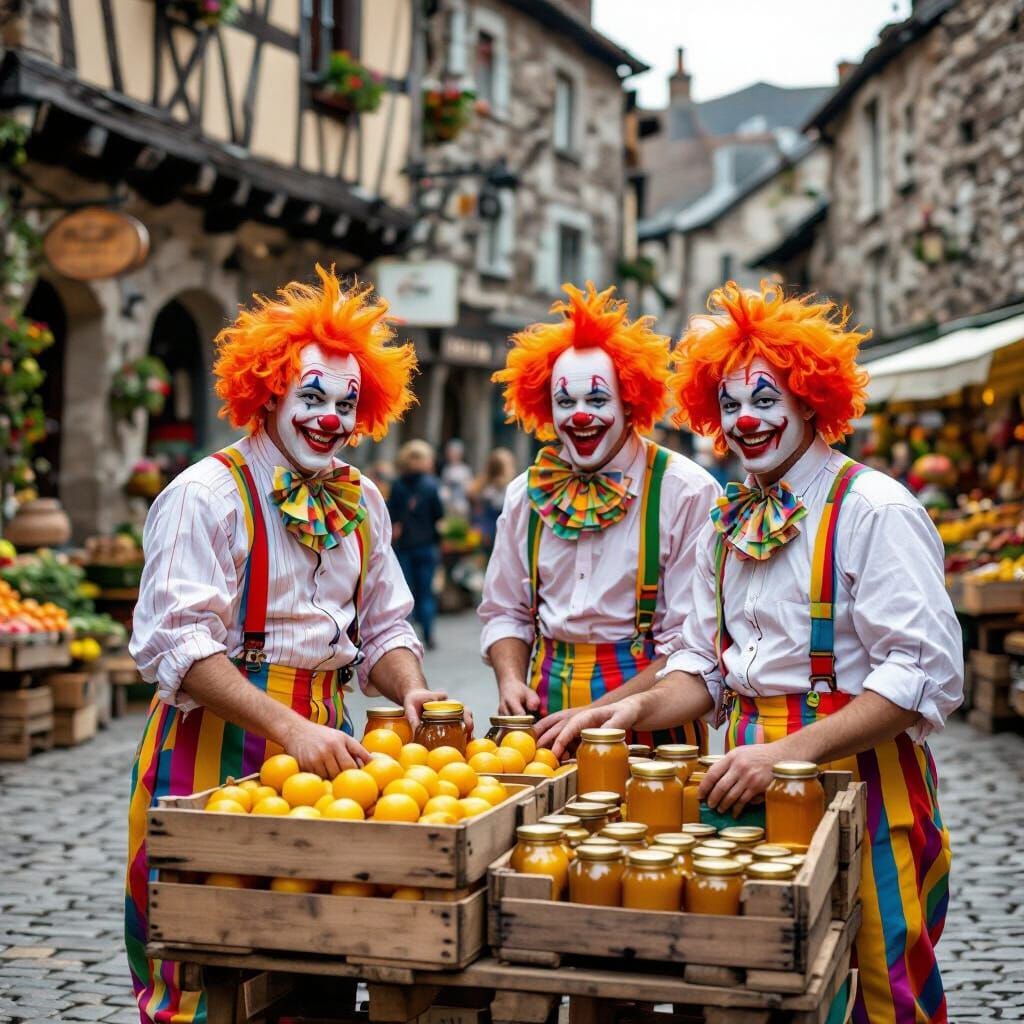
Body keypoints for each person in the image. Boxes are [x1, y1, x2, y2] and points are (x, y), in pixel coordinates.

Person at [550, 282, 962, 1024]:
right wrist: (626, 712)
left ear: (810, 399)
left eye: (766, 400)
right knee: (759, 991)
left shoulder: (874, 510)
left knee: (883, 990)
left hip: (866, 786)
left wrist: (787, 754)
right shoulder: (726, 520)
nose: (747, 420)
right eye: (731, 404)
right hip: (742, 795)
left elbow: (920, 675)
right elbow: (705, 667)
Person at [126, 267, 463, 1024]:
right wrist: (289, 728)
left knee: (318, 951)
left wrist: (410, 687)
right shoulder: (204, 495)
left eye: (346, 403)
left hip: (328, 750)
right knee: (199, 961)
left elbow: (384, 627)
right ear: (269, 391)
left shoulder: (363, 498)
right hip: (210, 743)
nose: (330, 418)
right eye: (312, 397)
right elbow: (177, 643)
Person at [479, 283, 719, 749]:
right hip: (544, 726)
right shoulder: (525, 493)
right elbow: (505, 611)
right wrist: (509, 679)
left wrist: (598, 713)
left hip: (653, 723)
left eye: (596, 400)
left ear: (629, 400)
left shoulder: (686, 491)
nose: (580, 415)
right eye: (565, 402)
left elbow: (691, 644)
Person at [388, 439, 444, 650]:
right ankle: (429, 634)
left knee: (405, 591)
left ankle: (406, 635)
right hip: (426, 544)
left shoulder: (397, 485)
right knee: (426, 591)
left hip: (404, 545)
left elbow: (391, 514)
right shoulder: (431, 485)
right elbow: (439, 514)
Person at [470, 447, 518, 553]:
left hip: (483, 537)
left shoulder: (481, 486)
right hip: (496, 538)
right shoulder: (506, 490)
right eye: (510, 465)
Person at [439, 437, 474, 517]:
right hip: (449, 506)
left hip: (461, 506)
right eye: (450, 452)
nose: (452, 455)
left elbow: (469, 488)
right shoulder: (446, 469)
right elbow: (444, 487)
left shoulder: (465, 469)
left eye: (454, 452)